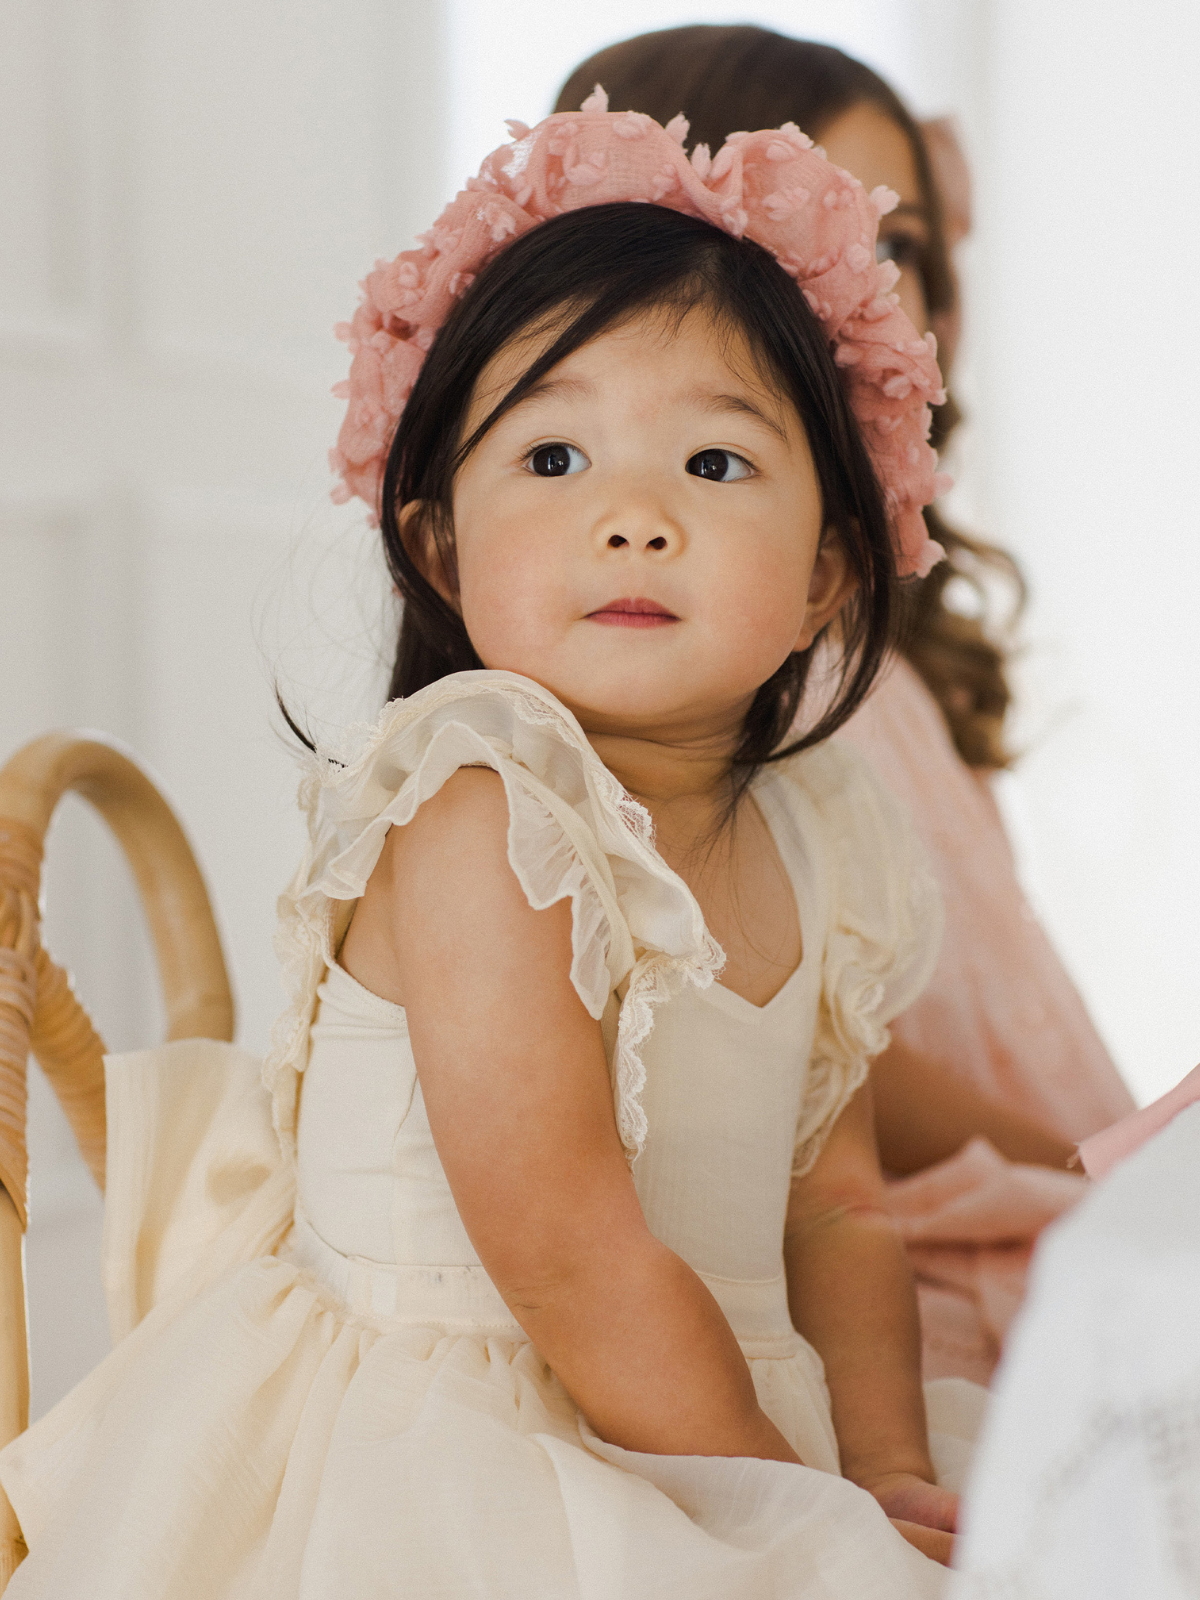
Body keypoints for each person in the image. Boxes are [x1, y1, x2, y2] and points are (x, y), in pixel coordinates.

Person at [0, 100, 981, 1595]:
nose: (635, 517)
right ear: (443, 548)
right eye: (554, 458)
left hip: (710, 1414)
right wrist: (788, 1510)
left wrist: (884, 1463)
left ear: (829, 573)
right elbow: (568, 1250)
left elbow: (838, 1205)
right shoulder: (481, 802)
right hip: (448, 1443)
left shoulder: (822, 835)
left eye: (714, 466)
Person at [557, 28, 1134, 1384]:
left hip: (1006, 1164)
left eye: (912, 252)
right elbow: (814, 1035)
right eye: (833, 244)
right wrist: (1088, 1161)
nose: (887, 301)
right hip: (878, 1207)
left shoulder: (871, 618)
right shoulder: (687, 641)